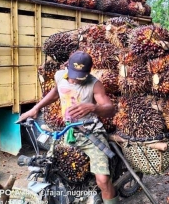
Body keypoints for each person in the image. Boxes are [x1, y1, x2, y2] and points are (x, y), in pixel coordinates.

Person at [17, 51, 118, 204]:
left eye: (79, 76)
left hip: (91, 134)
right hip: (68, 131)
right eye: (72, 74)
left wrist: (93, 107)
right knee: (51, 167)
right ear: (67, 67)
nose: (74, 79)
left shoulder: (94, 84)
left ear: (88, 71)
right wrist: (35, 109)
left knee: (103, 180)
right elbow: (55, 93)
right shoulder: (60, 76)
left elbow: (110, 109)